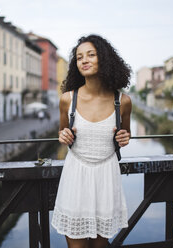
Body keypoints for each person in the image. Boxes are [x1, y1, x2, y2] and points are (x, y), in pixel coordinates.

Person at [51, 34, 132, 248]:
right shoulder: (67, 99)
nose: (84, 60)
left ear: (104, 59)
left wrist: (125, 137)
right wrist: (63, 135)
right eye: (79, 57)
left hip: (107, 177)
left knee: (100, 245)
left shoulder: (123, 102)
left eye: (91, 55)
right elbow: (62, 132)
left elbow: (126, 134)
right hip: (75, 176)